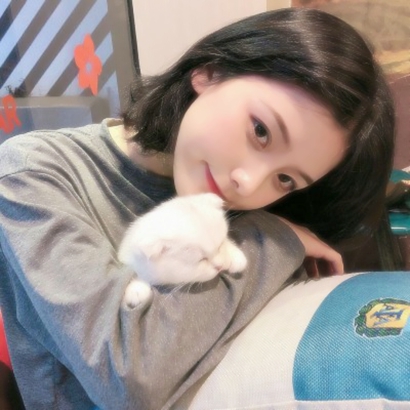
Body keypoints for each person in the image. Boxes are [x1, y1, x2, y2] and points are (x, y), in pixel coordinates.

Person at [0, 7, 395, 410]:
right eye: (260, 131)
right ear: (210, 71)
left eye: (286, 179)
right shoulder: (33, 172)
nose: (248, 184)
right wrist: (274, 239)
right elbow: (129, 378)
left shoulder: (255, 216)